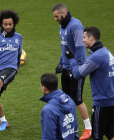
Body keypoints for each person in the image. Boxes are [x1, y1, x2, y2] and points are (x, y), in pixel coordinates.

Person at [65, 26, 114, 140]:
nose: (82, 40)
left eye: (84, 37)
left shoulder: (96, 57)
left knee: (97, 136)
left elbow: (77, 74)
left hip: (102, 103)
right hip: (111, 101)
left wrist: (71, 59)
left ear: (91, 38)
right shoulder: (106, 52)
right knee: (111, 134)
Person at [52, 3, 91, 140]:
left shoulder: (75, 26)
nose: (55, 19)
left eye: (56, 16)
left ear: (63, 14)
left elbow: (80, 50)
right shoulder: (62, 27)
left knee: (77, 99)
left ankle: (88, 129)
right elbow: (65, 48)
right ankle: (69, 126)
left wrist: (76, 69)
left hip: (77, 68)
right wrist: (61, 62)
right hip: (67, 67)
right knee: (66, 99)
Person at [40, 73, 79, 140]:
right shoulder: (69, 100)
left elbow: (49, 137)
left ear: (44, 88)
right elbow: (75, 130)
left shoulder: (48, 110)